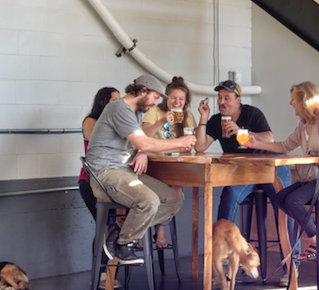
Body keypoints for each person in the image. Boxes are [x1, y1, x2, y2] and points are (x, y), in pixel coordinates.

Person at [84, 74, 196, 262]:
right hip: (105, 172)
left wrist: (141, 151)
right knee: (149, 201)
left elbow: (138, 142)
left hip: (124, 170)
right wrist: (178, 142)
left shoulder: (134, 111)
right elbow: (143, 142)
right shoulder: (118, 108)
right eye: (154, 97)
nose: (155, 103)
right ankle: (123, 242)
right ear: (143, 91)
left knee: (173, 200)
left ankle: (117, 230)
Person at [242, 81, 319, 265]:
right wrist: (255, 144)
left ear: (304, 100)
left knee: (293, 200)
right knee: (279, 199)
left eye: (293, 98)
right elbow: (284, 146)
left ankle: (316, 241)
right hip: (316, 177)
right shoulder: (304, 125)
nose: (290, 103)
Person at [193, 80, 284, 222]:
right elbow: (199, 147)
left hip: (267, 167)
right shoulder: (217, 121)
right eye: (219, 98)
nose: (221, 102)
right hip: (243, 171)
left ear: (238, 100)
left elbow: (269, 139)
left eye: (227, 98)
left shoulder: (252, 113)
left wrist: (242, 132)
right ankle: (222, 242)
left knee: (281, 203)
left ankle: (292, 244)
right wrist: (203, 118)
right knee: (229, 194)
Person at [142, 77, 198, 246]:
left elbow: (188, 147)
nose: (177, 102)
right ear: (166, 98)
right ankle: (145, 230)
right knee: (163, 192)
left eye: (181, 99)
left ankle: (159, 228)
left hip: (174, 166)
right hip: (152, 166)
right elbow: (145, 137)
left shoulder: (188, 116)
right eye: (173, 98)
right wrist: (162, 122)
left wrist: (163, 148)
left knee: (178, 190)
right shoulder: (154, 113)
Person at [78, 86, 118, 218]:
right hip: (92, 179)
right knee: (104, 227)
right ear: (103, 102)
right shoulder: (90, 121)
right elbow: (99, 141)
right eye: (115, 99)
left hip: (113, 176)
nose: (119, 104)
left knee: (115, 226)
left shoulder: (116, 122)